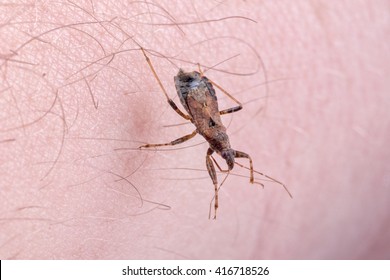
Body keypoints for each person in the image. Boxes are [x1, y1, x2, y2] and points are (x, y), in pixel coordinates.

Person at [1, 0, 389, 259]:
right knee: (180, 115)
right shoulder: (208, 140)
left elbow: (228, 147)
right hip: (197, 94)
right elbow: (189, 137)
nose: (226, 157)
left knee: (216, 120)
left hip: (204, 95)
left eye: (226, 157)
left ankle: (194, 90)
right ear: (222, 148)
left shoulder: (221, 145)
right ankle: (155, 69)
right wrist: (157, 142)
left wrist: (231, 165)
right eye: (226, 156)